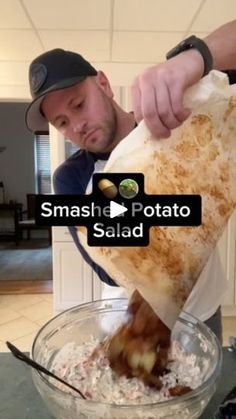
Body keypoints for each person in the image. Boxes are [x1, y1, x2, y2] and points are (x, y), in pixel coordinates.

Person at [25, 20, 236, 343]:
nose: (77, 126)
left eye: (79, 104)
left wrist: (195, 58)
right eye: (62, 122)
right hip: (131, 326)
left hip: (202, 311)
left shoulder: (175, 122)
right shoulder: (71, 178)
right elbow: (106, 270)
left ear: (104, 84)